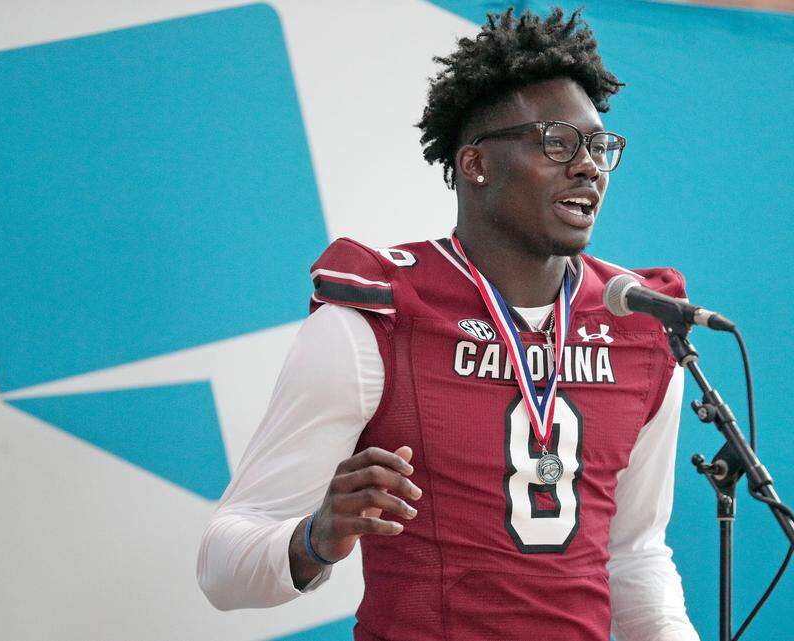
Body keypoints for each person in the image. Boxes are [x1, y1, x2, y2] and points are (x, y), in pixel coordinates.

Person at [197, 8, 700, 641]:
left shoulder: (638, 322)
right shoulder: (378, 314)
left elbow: (634, 553)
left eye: (599, 147)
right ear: (475, 163)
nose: (588, 167)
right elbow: (221, 566)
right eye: (557, 142)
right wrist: (317, 537)